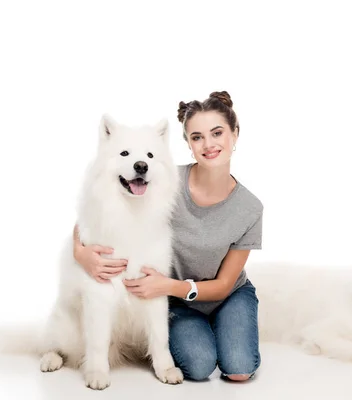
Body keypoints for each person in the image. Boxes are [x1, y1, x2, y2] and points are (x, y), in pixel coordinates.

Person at [72, 91, 264, 382]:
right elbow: (97, 210)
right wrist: (81, 252)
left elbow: (225, 284)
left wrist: (170, 286)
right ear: (188, 144)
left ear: (235, 134)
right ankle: (200, 332)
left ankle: (222, 326)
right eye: (197, 136)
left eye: (217, 133)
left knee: (239, 369)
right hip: (179, 300)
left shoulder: (250, 208)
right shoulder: (165, 181)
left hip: (225, 295)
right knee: (199, 367)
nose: (208, 144)